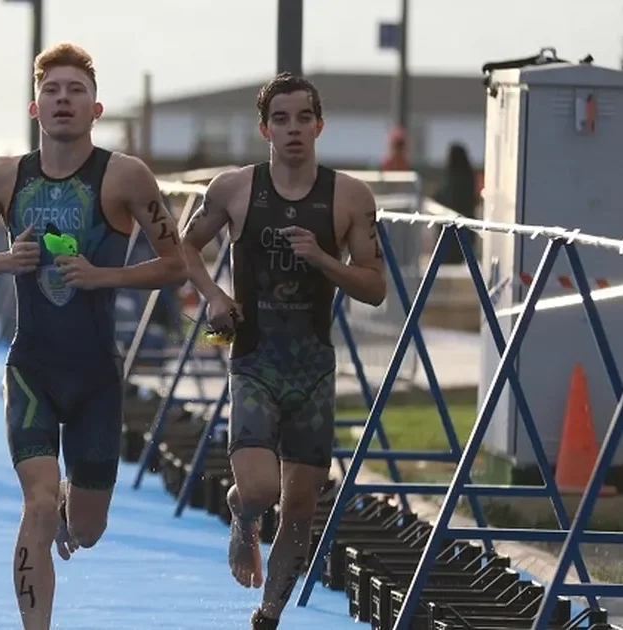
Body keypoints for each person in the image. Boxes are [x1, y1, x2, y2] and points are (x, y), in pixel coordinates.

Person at [0, 43, 187, 630]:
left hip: (97, 377)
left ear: (96, 106)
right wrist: (7, 262)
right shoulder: (4, 176)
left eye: (75, 90)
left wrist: (103, 274)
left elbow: (176, 265)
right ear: (35, 106)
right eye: (52, 90)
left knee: (86, 528)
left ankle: (67, 510)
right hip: (30, 366)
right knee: (34, 501)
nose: (63, 99)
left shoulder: (125, 175)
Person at [179, 72, 387, 629]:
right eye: (280, 119)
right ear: (264, 128)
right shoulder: (234, 189)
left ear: (319, 125)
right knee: (263, 489)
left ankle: (268, 613)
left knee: (299, 506)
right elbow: (185, 247)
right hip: (253, 360)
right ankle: (241, 512)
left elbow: (374, 287)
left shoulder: (349, 196)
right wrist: (215, 296)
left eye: (302, 118)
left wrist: (323, 260)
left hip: (313, 368)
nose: (292, 129)